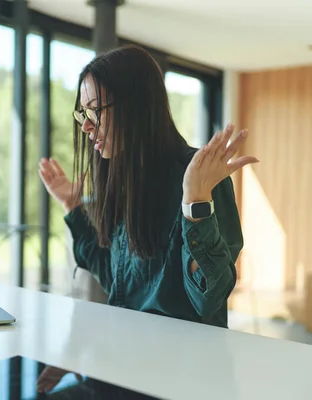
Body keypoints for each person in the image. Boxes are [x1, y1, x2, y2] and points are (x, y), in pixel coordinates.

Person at [38, 45, 258, 330]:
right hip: (129, 355)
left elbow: (209, 298)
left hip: (186, 367)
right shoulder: (124, 178)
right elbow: (116, 281)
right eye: (83, 114)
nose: (86, 127)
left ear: (137, 105)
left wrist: (195, 203)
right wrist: (74, 208)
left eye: (95, 111)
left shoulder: (200, 177)